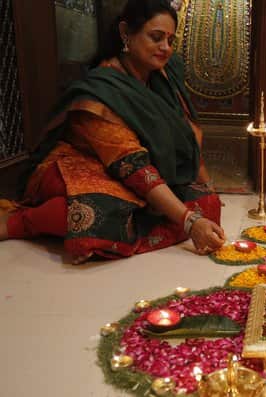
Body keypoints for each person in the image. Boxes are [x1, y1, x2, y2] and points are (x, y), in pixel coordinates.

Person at [0, 0, 225, 263]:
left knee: (207, 205)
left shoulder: (163, 75)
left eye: (170, 40)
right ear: (126, 33)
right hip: (78, 166)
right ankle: (22, 222)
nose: (166, 48)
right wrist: (189, 223)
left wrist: (208, 189)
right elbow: (134, 167)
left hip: (128, 170)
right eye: (156, 37)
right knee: (95, 213)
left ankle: (119, 224)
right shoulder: (102, 90)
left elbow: (188, 134)